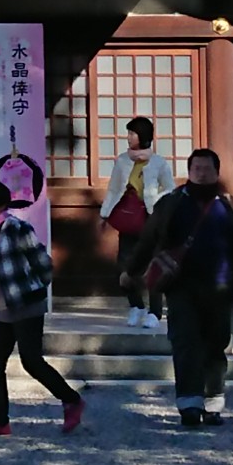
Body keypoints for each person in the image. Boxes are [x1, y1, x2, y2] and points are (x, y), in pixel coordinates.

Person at [130, 148, 233, 428]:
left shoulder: (232, 208)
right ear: (189, 171)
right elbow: (148, 238)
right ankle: (189, 404)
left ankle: (213, 402)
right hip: (181, 285)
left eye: (207, 168)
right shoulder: (172, 203)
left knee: (216, 344)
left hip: (221, 286)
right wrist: (131, 271)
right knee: (185, 342)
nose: (201, 173)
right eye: (196, 168)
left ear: (217, 171)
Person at [0, 178, 85, 438]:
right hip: (2, 307)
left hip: (26, 304)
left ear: (1, 202)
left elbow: (42, 262)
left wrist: (34, 289)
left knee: (31, 361)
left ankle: (72, 400)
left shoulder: (16, 228)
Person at [103, 117, 174, 330]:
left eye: (132, 133)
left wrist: (156, 203)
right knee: (124, 266)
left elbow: (170, 188)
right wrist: (105, 214)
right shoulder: (123, 160)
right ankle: (136, 305)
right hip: (128, 218)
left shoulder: (159, 162)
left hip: (151, 220)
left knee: (153, 267)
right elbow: (113, 189)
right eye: (128, 133)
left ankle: (154, 312)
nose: (129, 137)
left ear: (143, 136)